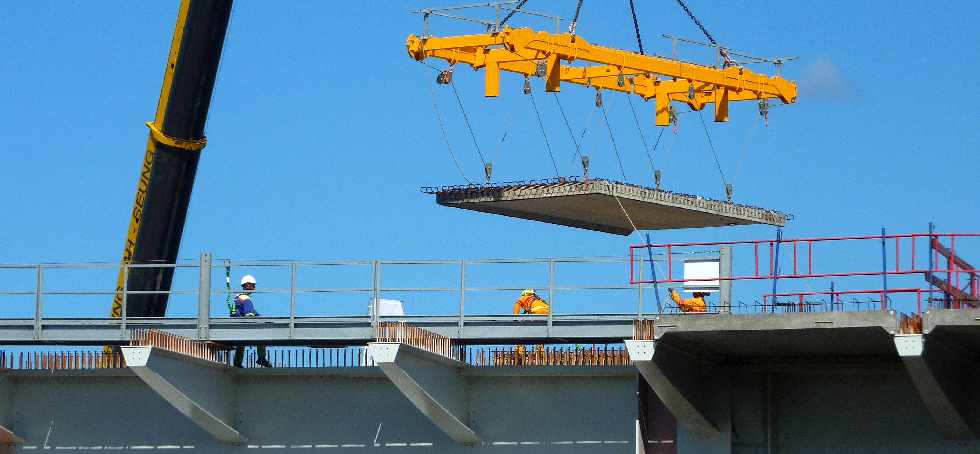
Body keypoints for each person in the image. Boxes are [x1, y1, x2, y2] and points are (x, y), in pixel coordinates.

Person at [231, 274, 272, 368]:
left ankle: (237, 363)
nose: (254, 287)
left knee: (240, 343)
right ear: (247, 285)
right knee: (261, 335)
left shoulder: (237, 298)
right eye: (253, 285)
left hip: (236, 324)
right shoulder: (246, 299)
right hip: (243, 325)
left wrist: (257, 315)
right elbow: (249, 314)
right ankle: (261, 358)